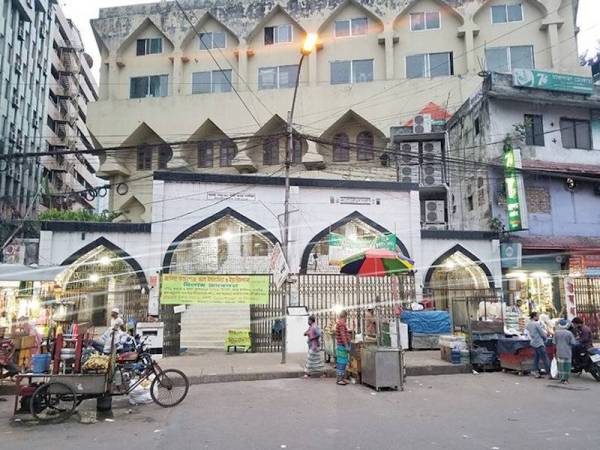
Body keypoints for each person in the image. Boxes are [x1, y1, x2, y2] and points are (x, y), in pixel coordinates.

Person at [526, 311, 551, 379]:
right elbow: (542, 334)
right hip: (539, 342)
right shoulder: (536, 324)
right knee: (545, 358)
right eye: (537, 316)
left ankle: (536, 372)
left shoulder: (528, 324)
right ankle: (549, 373)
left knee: (536, 358)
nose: (538, 317)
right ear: (534, 317)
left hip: (533, 342)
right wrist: (546, 336)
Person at [553, 319, 577, 385]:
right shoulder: (569, 333)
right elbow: (573, 343)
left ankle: (561, 379)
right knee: (567, 366)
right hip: (567, 352)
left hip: (559, 352)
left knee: (560, 367)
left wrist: (554, 353)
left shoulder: (556, 333)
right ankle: (566, 380)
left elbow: (554, 344)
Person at [335, 310, 351, 386]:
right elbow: (343, 335)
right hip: (342, 346)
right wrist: (346, 346)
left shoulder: (340, 323)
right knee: (342, 362)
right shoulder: (341, 323)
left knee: (342, 362)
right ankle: (339, 379)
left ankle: (342, 378)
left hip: (341, 345)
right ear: (345, 316)